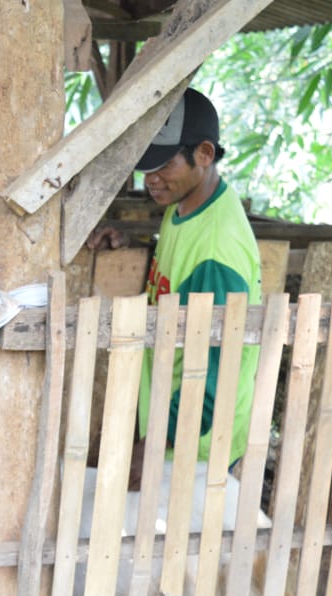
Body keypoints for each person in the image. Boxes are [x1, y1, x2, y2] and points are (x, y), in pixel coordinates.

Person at [91, 87, 261, 484]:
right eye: (145, 165)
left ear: (204, 153)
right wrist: (133, 252)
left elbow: (215, 378)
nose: (150, 179)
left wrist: (148, 446)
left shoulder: (217, 252)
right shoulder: (186, 206)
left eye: (163, 165)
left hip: (196, 445)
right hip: (171, 429)